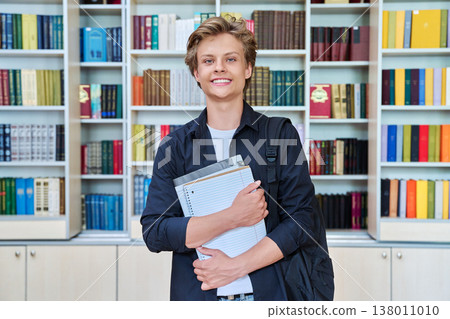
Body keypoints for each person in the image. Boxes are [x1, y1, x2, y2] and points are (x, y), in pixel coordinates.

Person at [140, 16, 317, 301]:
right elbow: (155, 231)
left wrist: (236, 267)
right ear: (196, 72)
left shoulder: (280, 134)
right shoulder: (174, 147)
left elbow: (302, 221)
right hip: (198, 298)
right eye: (208, 60)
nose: (219, 67)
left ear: (247, 68)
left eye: (231, 59)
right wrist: (232, 217)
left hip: (267, 296)